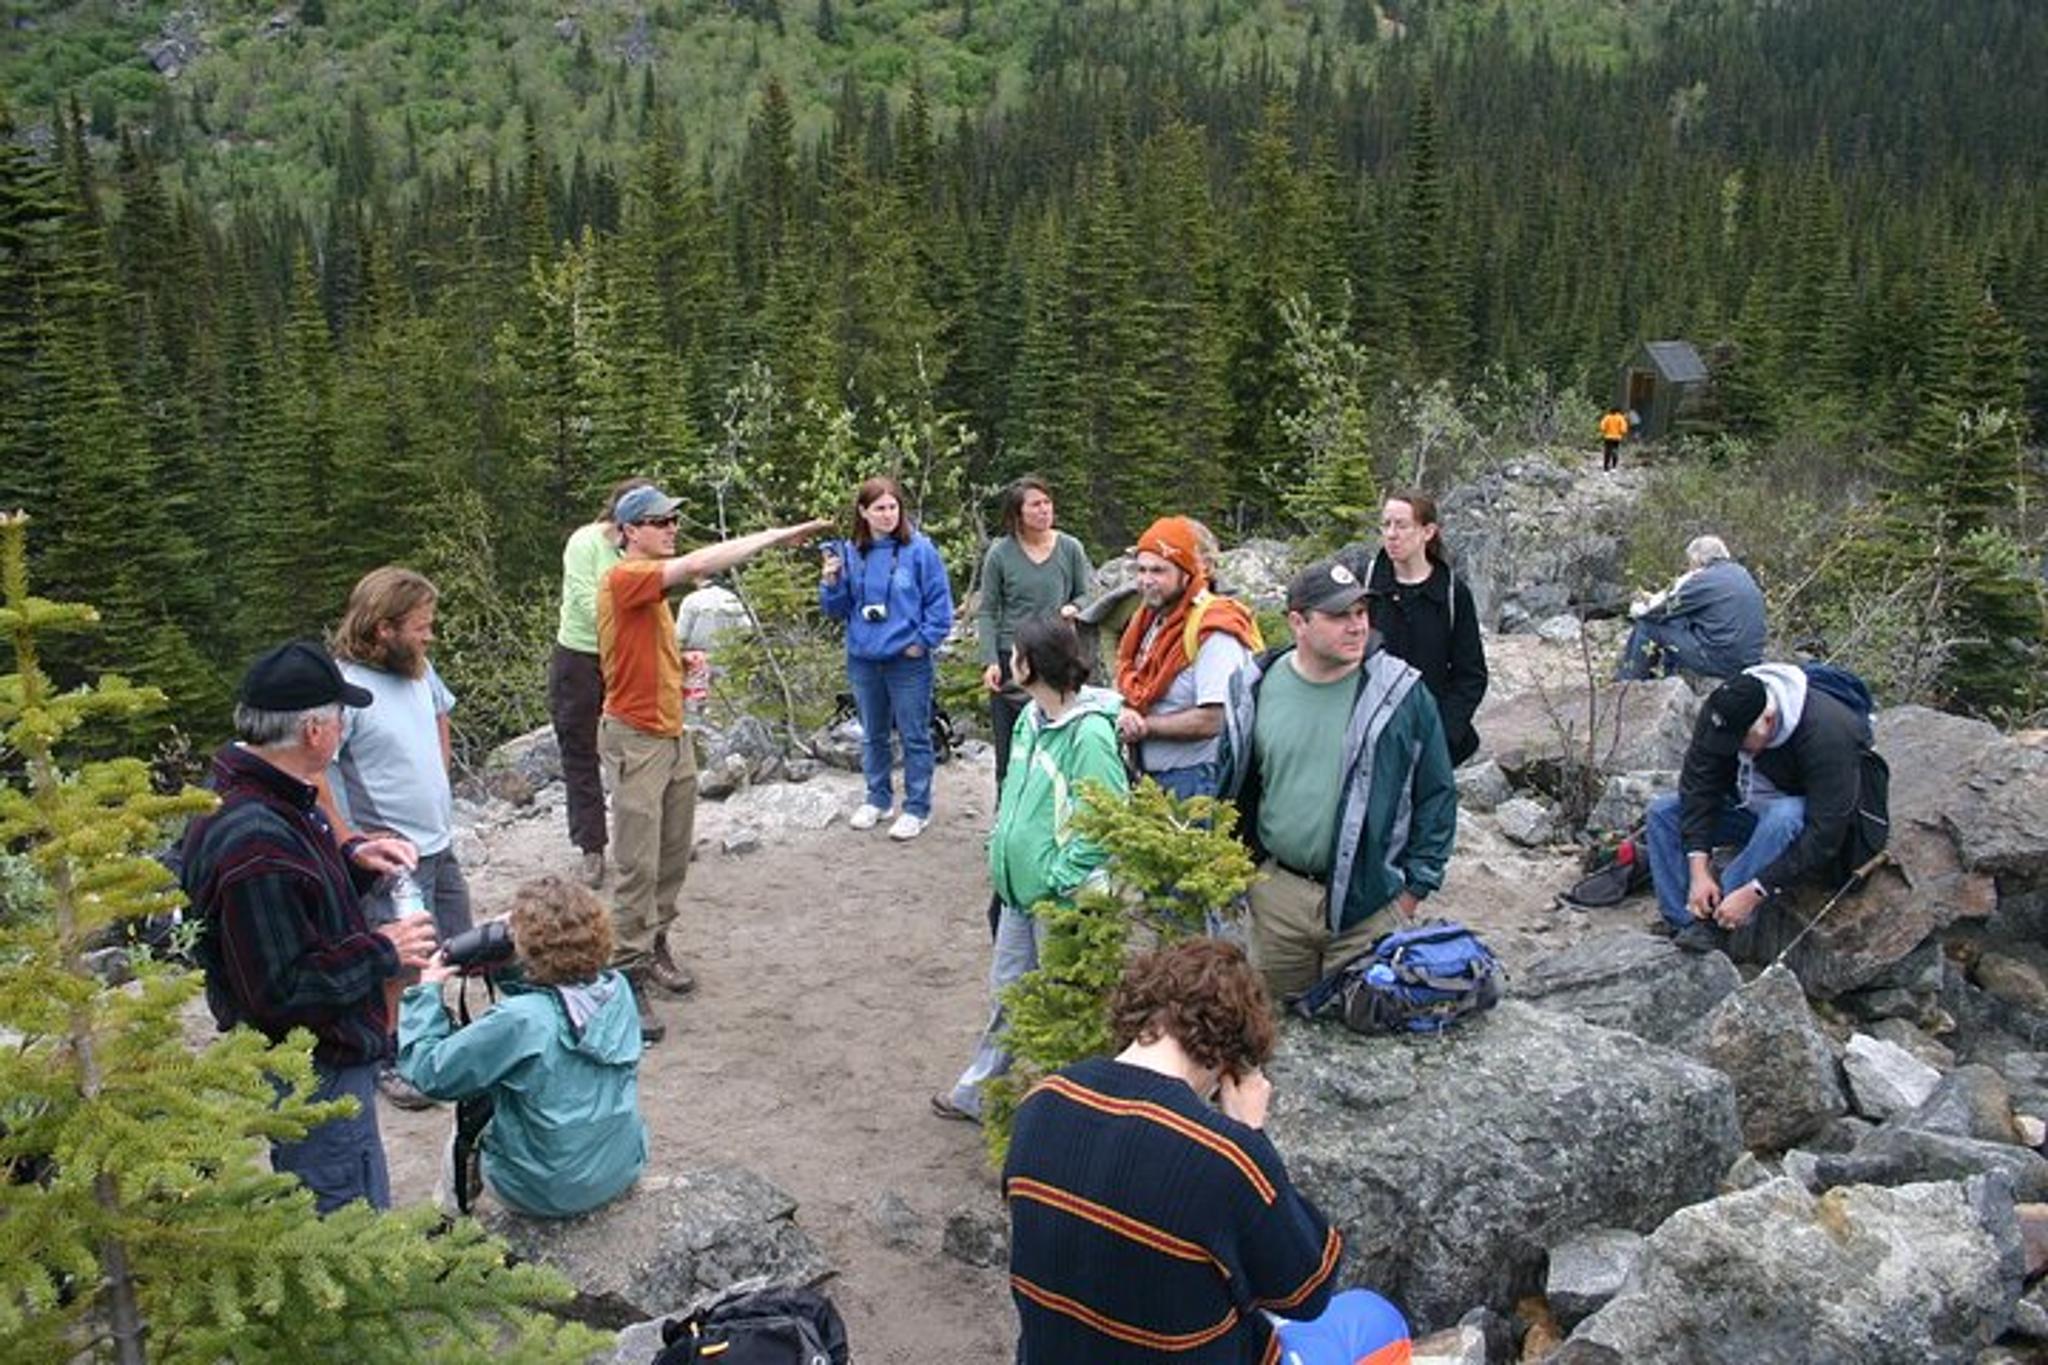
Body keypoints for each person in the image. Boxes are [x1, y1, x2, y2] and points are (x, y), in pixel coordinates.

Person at [1004, 939, 1410, 1364]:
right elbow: (1308, 1292)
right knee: (1376, 1319)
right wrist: (1250, 1135)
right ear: (1228, 1057)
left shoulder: (1041, 1100)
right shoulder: (1226, 1157)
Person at [180, 640, 436, 1213]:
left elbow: (290, 913)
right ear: (316, 731)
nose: (346, 726)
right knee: (343, 1207)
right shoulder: (257, 842)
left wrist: (354, 863)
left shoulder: (266, 798)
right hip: (312, 1066)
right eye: (341, 715)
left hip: (321, 1052)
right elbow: (280, 990)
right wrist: (383, 950)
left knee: (350, 1177)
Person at [599, 486, 832, 1041]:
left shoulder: (650, 590)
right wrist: (777, 537)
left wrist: (680, 662)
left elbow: (641, 650)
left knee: (673, 852)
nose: (672, 527)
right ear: (630, 531)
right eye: (659, 521)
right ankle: (624, 974)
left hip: (672, 733)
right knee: (637, 860)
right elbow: (702, 563)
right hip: (636, 740)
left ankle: (655, 944)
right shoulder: (626, 577)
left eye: (674, 519)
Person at [1218, 559, 1458, 1000]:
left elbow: (1437, 795)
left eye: (1361, 613)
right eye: (1338, 616)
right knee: (1273, 1029)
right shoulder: (1254, 686)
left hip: (1370, 906)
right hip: (1278, 900)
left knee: (1365, 1033)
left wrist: (1413, 891)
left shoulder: (1401, 693)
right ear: (1298, 622)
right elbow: (1230, 785)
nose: (1356, 626)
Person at [934, 614, 1128, 1123]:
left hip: (1063, 899)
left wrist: (1060, 877)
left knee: (1068, 1006)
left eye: (1015, 653)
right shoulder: (1030, 720)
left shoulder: (1089, 736)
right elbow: (1015, 795)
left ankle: (1077, 1112)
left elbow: (1108, 817)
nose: (1008, 661)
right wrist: (1000, 849)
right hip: (1021, 892)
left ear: (1032, 664)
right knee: (1009, 994)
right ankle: (980, 1093)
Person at [397, 876, 648, 1218]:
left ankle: (449, 1219)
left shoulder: (520, 1020)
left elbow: (428, 1072)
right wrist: (511, 964)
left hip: (544, 1191)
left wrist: (424, 993)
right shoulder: (617, 988)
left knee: (470, 1116)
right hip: (619, 1166)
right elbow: (556, 997)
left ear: (526, 946)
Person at [320, 566, 474, 1112]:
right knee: (399, 959)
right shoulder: (343, 689)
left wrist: (441, 773)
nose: (429, 635)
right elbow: (320, 770)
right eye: (420, 626)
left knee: (455, 940)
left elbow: (440, 713)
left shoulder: (418, 668)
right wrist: (349, 839)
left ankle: (434, 1032)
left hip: (438, 839)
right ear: (383, 628)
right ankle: (388, 1054)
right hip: (394, 854)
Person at [1646, 664, 1889, 956]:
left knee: (1783, 817)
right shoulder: (1724, 711)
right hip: (1747, 804)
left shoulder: (1827, 732)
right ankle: (1685, 921)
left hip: (1803, 819)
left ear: (1769, 720)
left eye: (1742, 741)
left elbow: (1826, 834)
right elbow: (1698, 788)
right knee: (1663, 812)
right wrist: (1699, 871)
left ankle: (1716, 923)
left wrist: (1755, 890)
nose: (1734, 749)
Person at [819, 476, 956, 842]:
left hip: (907, 660)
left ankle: (917, 807)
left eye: (892, 507)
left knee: (914, 734)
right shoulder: (850, 552)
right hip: (863, 658)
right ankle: (877, 798)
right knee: (873, 734)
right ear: (863, 512)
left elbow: (940, 605)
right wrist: (831, 584)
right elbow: (837, 610)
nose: (887, 515)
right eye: (879, 508)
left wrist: (922, 642)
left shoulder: (921, 550)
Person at [1113, 515, 1263, 801]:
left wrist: (1142, 726)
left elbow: (1214, 720)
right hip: (1151, 780)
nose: (1146, 581)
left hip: (1197, 783)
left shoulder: (1214, 630)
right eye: (1141, 570)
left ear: (1189, 572)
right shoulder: (1149, 622)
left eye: (1158, 571)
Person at [1336, 491, 1489, 766]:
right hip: (1368, 735)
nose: (1391, 534)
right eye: (1386, 525)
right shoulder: (1365, 583)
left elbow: (1471, 675)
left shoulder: (1452, 593)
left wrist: (1440, 735)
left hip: (1430, 737)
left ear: (1428, 531)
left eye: (1402, 525)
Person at [550, 478, 652, 890]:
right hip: (579, 655)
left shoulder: (644, 551)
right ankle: (592, 847)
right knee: (579, 748)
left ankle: (645, 837)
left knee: (638, 746)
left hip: (626, 656)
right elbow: (583, 599)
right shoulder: (586, 542)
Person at [976, 476, 1094, 798]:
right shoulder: (1000, 554)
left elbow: (1086, 595)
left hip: (1056, 655)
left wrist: (1073, 607)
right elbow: (987, 610)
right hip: (1012, 657)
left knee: (1057, 741)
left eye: (1047, 503)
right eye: (1035, 505)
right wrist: (989, 661)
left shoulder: (1070, 548)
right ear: (1018, 513)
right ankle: (1005, 820)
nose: (1044, 511)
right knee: (1010, 748)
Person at [1616, 535, 1767, 681]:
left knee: (1648, 626)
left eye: (1690, 563)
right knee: (1678, 622)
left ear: (1697, 559)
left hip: (1721, 662)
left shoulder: (1704, 580)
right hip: (1748, 661)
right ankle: (1667, 679)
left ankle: (1630, 683)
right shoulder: (1741, 573)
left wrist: (1637, 609)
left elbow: (1663, 611)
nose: (1689, 568)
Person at [1599, 407, 1629, 471]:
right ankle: (1614, 467)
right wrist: (1621, 433)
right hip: (1617, 438)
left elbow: (1602, 427)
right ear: (1618, 411)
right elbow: (1623, 429)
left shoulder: (1607, 417)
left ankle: (1606, 468)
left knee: (1607, 452)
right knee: (1615, 451)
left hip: (1608, 437)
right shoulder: (1620, 418)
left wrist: (1605, 431)